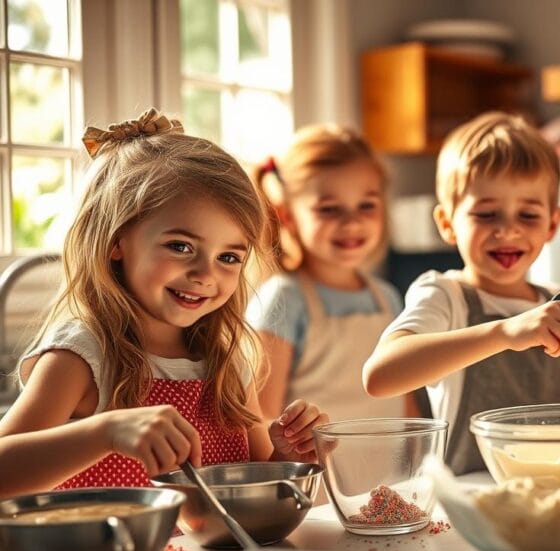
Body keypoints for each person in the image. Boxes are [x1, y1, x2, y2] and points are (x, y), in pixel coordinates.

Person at [0, 109, 327, 499]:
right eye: (180, 246)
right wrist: (105, 433)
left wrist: (287, 454)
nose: (205, 274)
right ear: (116, 241)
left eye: (228, 257)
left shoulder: (226, 362)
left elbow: (255, 488)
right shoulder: (82, 356)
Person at [363, 112, 560, 474]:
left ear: (552, 224)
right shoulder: (444, 295)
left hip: (552, 492)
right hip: (468, 502)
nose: (508, 231)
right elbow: (380, 376)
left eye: (527, 216)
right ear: (448, 224)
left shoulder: (559, 304)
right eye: (486, 214)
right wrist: (506, 332)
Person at [247, 126, 405, 421]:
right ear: (288, 216)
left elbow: (405, 405)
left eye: (366, 205)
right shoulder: (284, 298)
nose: (352, 223)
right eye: (330, 209)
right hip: (316, 468)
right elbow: (262, 415)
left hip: (390, 467)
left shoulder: (387, 297)